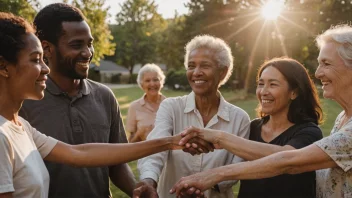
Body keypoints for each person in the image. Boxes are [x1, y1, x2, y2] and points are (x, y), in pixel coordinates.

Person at [0, 12, 186, 198]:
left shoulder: (22, 128)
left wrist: (170, 142)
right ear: (3, 67)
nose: (45, 69)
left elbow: (79, 154)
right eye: (35, 60)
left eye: (89, 44)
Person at [171, 24, 352, 198]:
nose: (318, 73)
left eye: (326, 63)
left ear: (294, 92)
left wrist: (216, 160)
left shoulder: (313, 131)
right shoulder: (342, 119)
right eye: (260, 84)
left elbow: (288, 162)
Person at [18, 3, 135, 197]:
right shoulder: (24, 102)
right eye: (76, 45)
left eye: (89, 43)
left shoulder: (105, 97)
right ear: (47, 48)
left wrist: (137, 189)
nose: (88, 53)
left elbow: (117, 163)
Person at [175, 57, 324, 198]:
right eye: (260, 84)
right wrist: (197, 186)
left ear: (294, 92)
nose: (263, 91)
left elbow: (286, 158)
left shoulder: (309, 132)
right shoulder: (253, 127)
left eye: (273, 84)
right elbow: (234, 167)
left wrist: (219, 137)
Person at [133, 35, 251, 198]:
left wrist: (207, 184)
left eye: (205, 66)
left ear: (222, 72)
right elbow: (156, 147)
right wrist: (149, 180)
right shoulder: (171, 107)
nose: (196, 73)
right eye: (191, 66)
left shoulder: (240, 118)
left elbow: (236, 168)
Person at [126, 63, 166, 142]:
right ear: (142, 84)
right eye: (147, 80)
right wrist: (139, 134)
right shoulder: (134, 107)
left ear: (161, 82)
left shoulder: (170, 104)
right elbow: (130, 144)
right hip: (145, 153)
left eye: (155, 79)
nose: (152, 84)